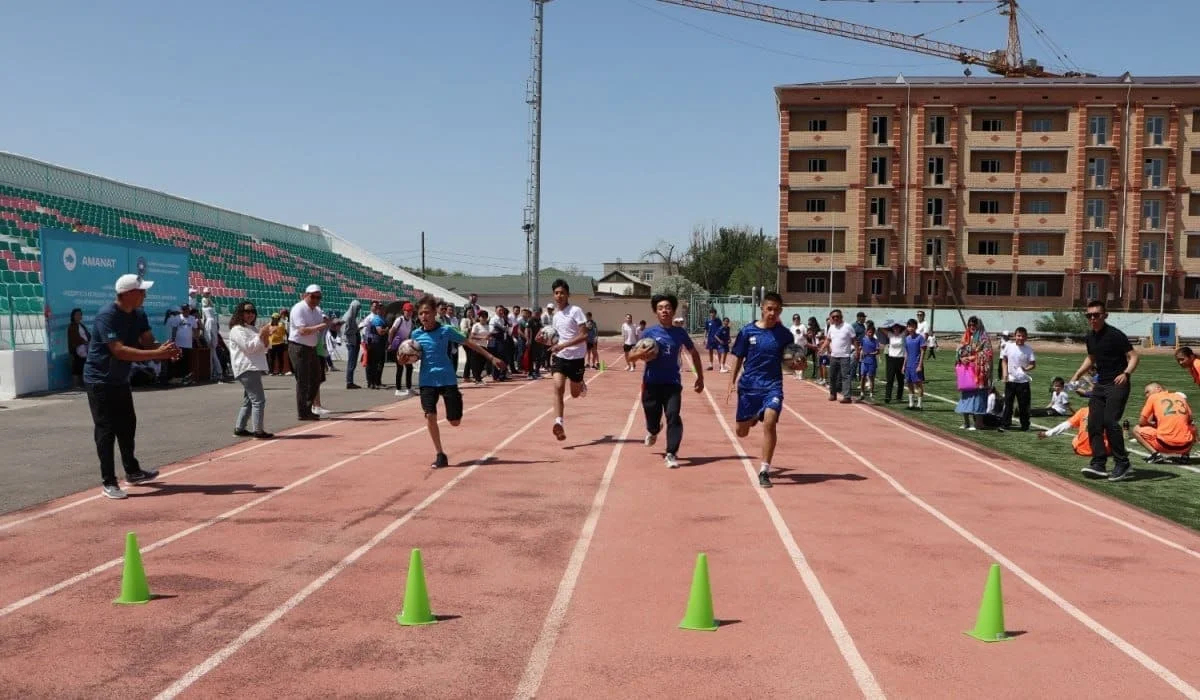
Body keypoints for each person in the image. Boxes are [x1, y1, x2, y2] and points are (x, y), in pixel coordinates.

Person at [84, 274, 181, 499]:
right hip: (100, 380)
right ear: (128, 294)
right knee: (106, 430)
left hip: (119, 380)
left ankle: (133, 471)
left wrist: (165, 349)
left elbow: (148, 341)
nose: (145, 295)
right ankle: (108, 481)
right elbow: (119, 350)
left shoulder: (138, 314)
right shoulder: (106, 316)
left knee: (127, 426)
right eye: (141, 291)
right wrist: (157, 354)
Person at [409, 294, 506, 468]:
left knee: (454, 422)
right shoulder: (415, 334)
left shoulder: (446, 330)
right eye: (421, 313)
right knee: (430, 415)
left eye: (427, 312)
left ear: (434, 313)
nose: (424, 316)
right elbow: (409, 355)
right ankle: (440, 454)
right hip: (427, 380)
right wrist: (403, 359)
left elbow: (469, 343)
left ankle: (456, 403)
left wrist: (491, 358)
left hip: (447, 378)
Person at [727, 292, 798, 488]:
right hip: (749, 387)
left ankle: (764, 470)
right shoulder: (747, 331)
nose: (772, 313)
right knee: (741, 432)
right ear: (762, 308)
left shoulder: (785, 335)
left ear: (781, 311)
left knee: (770, 422)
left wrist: (797, 365)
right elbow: (738, 357)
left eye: (776, 310)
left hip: (772, 386)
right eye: (769, 309)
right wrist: (731, 383)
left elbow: (790, 362)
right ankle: (751, 418)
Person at [628, 294, 704, 469]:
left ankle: (671, 452)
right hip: (651, 384)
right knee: (653, 420)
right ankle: (654, 430)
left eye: (668, 307)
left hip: (672, 384)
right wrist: (641, 354)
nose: (664, 310)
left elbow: (694, 353)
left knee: (673, 415)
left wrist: (700, 377)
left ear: (673, 310)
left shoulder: (680, 333)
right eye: (661, 308)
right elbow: (630, 356)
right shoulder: (648, 333)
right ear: (656, 311)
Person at [1069, 299, 1139, 481]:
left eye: (1096, 315)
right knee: (1093, 423)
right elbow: (1091, 358)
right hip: (1100, 385)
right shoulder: (1090, 337)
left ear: (1105, 315)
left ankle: (1122, 463)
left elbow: (1133, 356)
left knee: (1110, 421)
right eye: (1089, 315)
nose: (1092, 318)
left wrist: (1126, 373)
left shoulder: (1116, 335)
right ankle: (1098, 463)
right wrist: (1077, 374)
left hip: (1118, 383)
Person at [546, 278, 590, 441]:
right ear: (553, 295)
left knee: (575, 394)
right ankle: (559, 423)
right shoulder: (556, 316)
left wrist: (563, 345)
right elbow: (557, 337)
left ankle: (580, 384)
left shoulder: (575, 311)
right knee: (558, 387)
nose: (559, 296)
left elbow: (584, 335)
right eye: (556, 293)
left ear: (568, 294)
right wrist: (547, 341)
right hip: (560, 357)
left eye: (562, 293)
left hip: (576, 358)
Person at [227, 300, 274, 439]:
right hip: (246, 367)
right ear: (240, 313)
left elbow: (265, 348)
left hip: (253, 367)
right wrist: (262, 334)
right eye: (247, 311)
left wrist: (265, 335)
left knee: (249, 400)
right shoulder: (237, 329)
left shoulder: (252, 329)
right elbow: (249, 347)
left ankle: (240, 427)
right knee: (259, 400)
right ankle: (258, 431)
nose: (250, 314)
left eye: (252, 311)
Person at [288, 285, 330, 420]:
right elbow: (302, 330)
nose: (316, 299)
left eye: (318, 297)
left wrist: (330, 323)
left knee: (316, 378)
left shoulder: (317, 310)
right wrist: (321, 325)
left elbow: (323, 320)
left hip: (311, 347)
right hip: (299, 346)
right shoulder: (299, 308)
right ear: (305, 295)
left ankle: (307, 407)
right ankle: (303, 411)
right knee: (303, 380)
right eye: (313, 296)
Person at [1130, 382, 1195, 465]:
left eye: (1147, 392)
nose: (1146, 395)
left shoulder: (1153, 397)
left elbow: (1142, 422)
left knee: (1136, 429)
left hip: (1165, 445)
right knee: (1193, 427)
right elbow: (1190, 420)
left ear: (1158, 388)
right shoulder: (1179, 397)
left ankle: (1156, 455)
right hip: (1185, 446)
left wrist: (1154, 425)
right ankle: (1185, 457)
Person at [1000, 326, 1036, 431]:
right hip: (1011, 380)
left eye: (1023, 336)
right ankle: (1005, 425)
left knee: (1023, 405)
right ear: (1015, 336)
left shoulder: (1028, 349)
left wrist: (1025, 369)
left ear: (1026, 337)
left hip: (1023, 381)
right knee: (1008, 404)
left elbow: (1033, 364)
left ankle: (1025, 425)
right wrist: (1005, 373)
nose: (1020, 338)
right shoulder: (1009, 347)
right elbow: (1004, 360)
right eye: (1018, 335)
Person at [819, 309, 858, 403]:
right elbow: (828, 340)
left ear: (841, 317)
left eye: (837, 316)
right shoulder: (831, 328)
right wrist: (822, 348)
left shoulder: (848, 327)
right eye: (833, 317)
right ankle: (833, 394)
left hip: (845, 356)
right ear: (831, 318)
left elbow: (854, 340)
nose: (835, 318)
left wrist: (858, 351)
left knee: (845, 376)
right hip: (834, 356)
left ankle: (847, 397)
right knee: (832, 376)